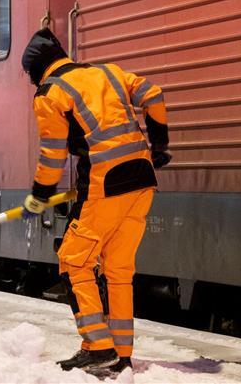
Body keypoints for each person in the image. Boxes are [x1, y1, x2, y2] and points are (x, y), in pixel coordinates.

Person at [20, 27, 170, 377]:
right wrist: (159, 145)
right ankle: (122, 355)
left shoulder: (50, 93)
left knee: (73, 260)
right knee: (118, 270)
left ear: (37, 68)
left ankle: (98, 346)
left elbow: (53, 154)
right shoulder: (108, 72)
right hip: (143, 179)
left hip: (106, 182)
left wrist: (40, 195)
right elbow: (154, 93)